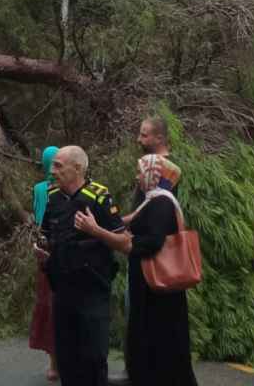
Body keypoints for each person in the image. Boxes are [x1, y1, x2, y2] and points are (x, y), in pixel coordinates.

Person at [82, 153, 199, 386]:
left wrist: (103, 234)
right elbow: (130, 221)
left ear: (153, 174)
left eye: (140, 171)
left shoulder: (161, 203)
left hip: (156, 289)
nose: (137, 176)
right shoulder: (153, 199)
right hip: (150, 286)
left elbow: (152, 242)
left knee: (159, 340)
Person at [35, 145, 121, 386]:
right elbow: (46, 235)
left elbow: (126, 242)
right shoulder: (53, 198)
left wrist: (95, 231)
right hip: (62, 291)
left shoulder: (99, 197)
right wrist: (43, 252)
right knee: (67, 360)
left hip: (93, 291)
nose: (52, 171)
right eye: (53, 165)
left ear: (78, 168)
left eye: (59, 166)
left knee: (93, 359)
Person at [29, 146, 59, 382]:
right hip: (62, 250)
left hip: (43, 249)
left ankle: (53, 364)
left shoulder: (40, 189)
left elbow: (37, 217)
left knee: (47, 304)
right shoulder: (67, 187)